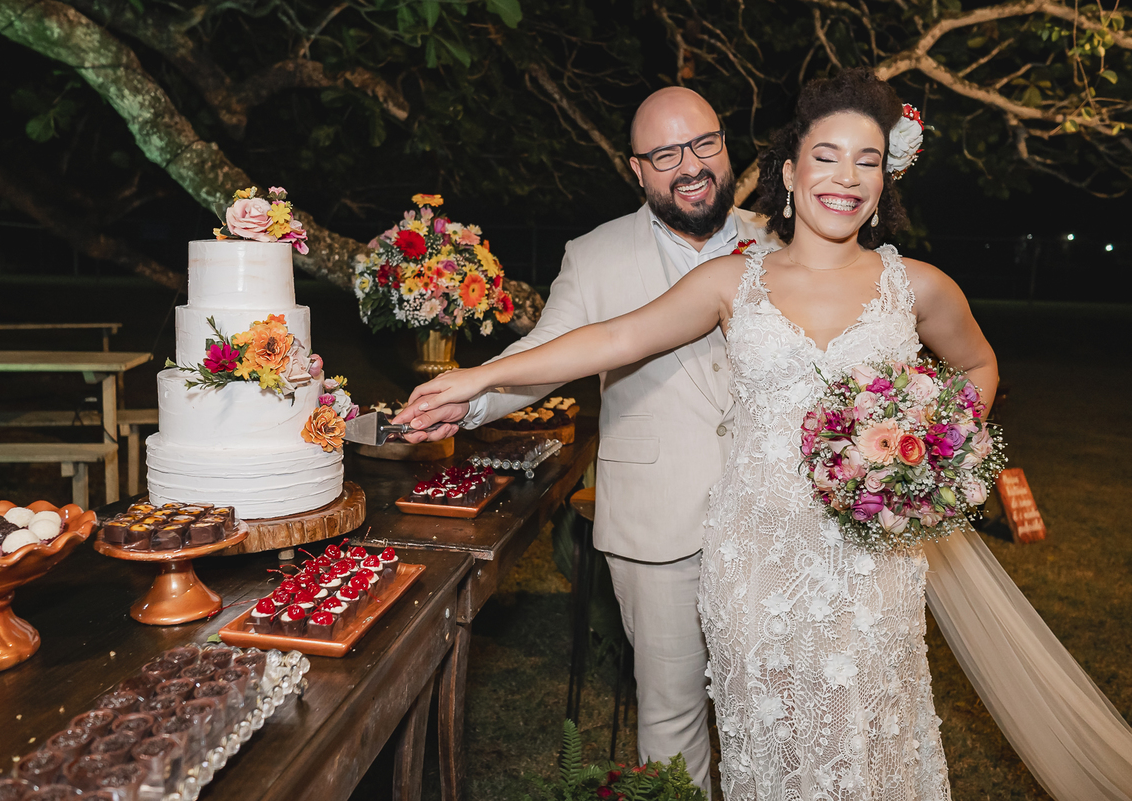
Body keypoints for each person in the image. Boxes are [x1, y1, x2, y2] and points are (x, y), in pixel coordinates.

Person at [395, 68, 1132, 799]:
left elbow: (977, 364)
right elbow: (610, 339)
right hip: (753, 564)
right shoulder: (731, 280)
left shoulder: (920, 284)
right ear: (788, 170)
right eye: (827, 155)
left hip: (870, 561)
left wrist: (933, 447)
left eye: (867, 160)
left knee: (866, 735)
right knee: (771, 742)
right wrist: (475, 380)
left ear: (885, 181)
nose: (846, 177)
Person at [395, 86, 778, 793]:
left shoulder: (787, 240)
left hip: (782, 520)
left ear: (727, 147)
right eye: (665, 154)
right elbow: (549, 354)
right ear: (636, 169)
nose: (689, 166)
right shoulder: (596, 254)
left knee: (780, 713)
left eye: (703, 144)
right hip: (659, 522)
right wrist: (468, 403)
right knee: (671, 717)